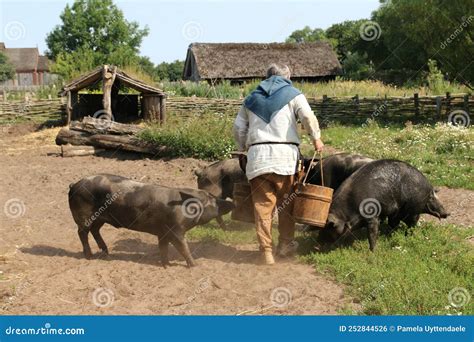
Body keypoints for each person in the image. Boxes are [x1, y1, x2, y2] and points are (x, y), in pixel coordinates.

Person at [233, 63, 324, 265]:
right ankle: (285, 245)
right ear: (288, 77)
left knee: (263, 208)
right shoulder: (294, 95)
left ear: (266, 77)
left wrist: (243, 147)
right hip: (286, 158)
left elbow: (239, 128)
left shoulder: (251, 98)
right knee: (286, 205)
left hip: (258, 159)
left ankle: (266, 252)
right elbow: (308, 117)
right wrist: (316, 138)